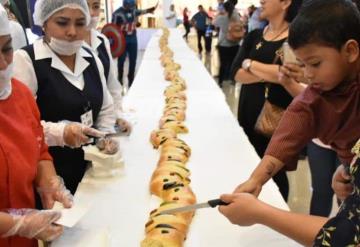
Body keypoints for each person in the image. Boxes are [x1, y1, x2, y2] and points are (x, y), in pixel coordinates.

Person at [221, 1, 360, 245]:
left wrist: (259, 213)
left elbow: (347, 236)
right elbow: (290, 129)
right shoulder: (318, 93)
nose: (307, 75)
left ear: (350, 51)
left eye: (315, 64)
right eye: (302, 64)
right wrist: (256, 180)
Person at [13, 0, 117, 194]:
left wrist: (105, 135)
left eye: (79, 23)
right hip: (49, 178)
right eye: (62, 23)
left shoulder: (90, 56)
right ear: (43, 22)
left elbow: (105, 106)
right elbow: (20, 126)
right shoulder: (27, 61)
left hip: (91, 171)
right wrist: (61, 133)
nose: (72, 32)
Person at [0, 5, 73, 246]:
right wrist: (17, 224)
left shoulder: (19, 94)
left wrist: (49, 183)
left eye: (7, 49)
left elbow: (39, 149)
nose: (3, 64)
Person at [230, 0, 304, 201]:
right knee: (249, 166)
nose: (261, 1)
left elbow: (291, 75)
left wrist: (250, 64)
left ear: (285, 3)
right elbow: (235, 73)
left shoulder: (297, 39)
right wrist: (272, 74)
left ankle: (277, 213)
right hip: (247, 113)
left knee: (273, 172)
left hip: (276, 120)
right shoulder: (254, 35)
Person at [84, 0, 132, 134]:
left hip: (105, 123)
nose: (92, 13)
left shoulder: (102, 41)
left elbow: (112, 85)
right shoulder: (69, 45)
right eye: (86, 6)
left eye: (96, 6)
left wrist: (117, 116)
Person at [112, 0, 156, 88]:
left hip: (133, 39)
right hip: (122, 40)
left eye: (132, 6)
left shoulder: (133, 11)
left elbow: (142, 11)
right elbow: (112, 29)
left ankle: (131, 79)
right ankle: (120, 78)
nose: (131, 8)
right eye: (130, 6)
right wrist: (114, 44)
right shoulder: (116, 14)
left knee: (133, 61)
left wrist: (151, 9)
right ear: (125, 4)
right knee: (121, 61)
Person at [214, 1, 241, 87]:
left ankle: (221, 82)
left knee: (223, 63)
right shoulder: (236, 17)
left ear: (224, 8)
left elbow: (214, 23)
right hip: (235, 43)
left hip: (223, 45)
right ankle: (233, 80)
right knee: (233, 63)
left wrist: (219, 13)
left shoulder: (222, 18)